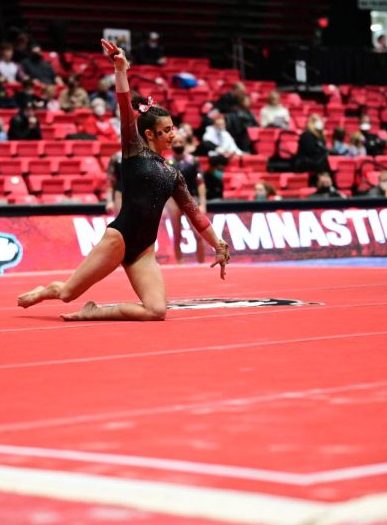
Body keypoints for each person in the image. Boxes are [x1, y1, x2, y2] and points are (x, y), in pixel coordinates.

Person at [18, 39, 230, 321]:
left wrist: (218, 243)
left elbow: (195, 213)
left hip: (143, 250)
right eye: (166, 130)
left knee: (156, 311)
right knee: (68, 293)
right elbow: (124, 106)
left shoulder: (174, 175)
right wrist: (121, 70)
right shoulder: (133, 150)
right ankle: (45, 291)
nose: (172, 134)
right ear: (150, 134)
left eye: (173, 128)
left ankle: (93, 312)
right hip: (118, 239)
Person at [167, 133, 207, 263]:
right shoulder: (166, 162)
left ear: (185, 144)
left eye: (180, 142)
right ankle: (179, 263)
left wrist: (203, 203)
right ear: (171, 145)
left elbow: (200, 182)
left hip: (191, 198)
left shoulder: (193, 161)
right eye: (175, 143)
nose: (178, 145)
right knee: (177, 234)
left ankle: (201, 262)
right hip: (173, 200)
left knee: (198, 233)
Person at [104, 150, 123, 215]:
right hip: (120, 192)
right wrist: (109, 201)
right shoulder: (116, 157)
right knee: (120, 219)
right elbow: (109, 180)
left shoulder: (141, 156)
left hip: (136, 194)